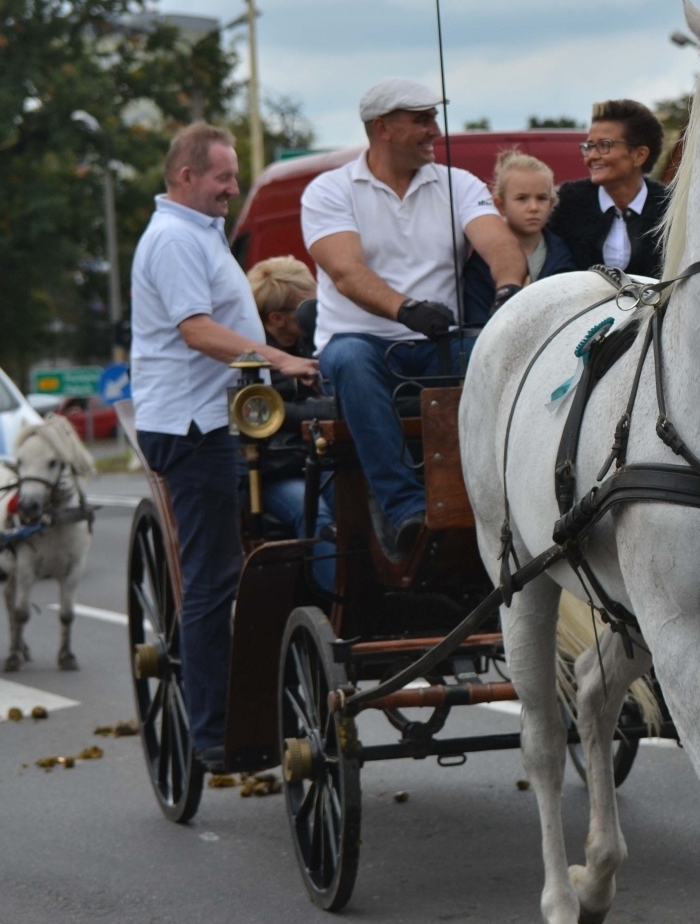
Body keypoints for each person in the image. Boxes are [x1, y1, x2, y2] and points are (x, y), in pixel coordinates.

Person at [130, 123, 318, 774]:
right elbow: (196, 331)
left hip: (209, 420)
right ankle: (214, 734)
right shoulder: (177, 240)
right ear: (186, 176)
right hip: (193, 426)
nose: (233, 188)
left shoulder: (195, 235)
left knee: (222, 570)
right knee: (211, 579)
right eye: (223, 177)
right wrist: (278, 359)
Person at [301, 78, 526, 559]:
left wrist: (508, 291)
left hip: (437, 344)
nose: (434, 130)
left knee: (506, 359)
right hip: (360, 341)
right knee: (353, 361)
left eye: (434, 118)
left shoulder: (457, 184)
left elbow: (500, 244)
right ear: (382, 128)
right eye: (421, 119)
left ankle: (517, 497)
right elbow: (345, 271)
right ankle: (407, 512)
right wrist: (406, 310)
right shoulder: (329, 190)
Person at [246, 257, 336, 590]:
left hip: (326, 460)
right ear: (277, 319)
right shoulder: (248, 357)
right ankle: (338, 602)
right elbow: (256, 413)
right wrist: (323, 410)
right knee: (315, 513)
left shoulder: (318, 343)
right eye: (307, 307)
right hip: (277, 473)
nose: (317, 312)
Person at [548, 99, 669, 279]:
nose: (592, 156)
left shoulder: (669, 207)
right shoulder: (570, 203)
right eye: (588, 147)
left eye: (604, 145)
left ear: (639, 155)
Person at [462, 151, 576, 325]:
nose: (533, 207)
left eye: (542, 198)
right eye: (522, 199)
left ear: (552, 203)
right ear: (500, 205)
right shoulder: (482, 264)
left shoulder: (564, 254)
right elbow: (477, 324)